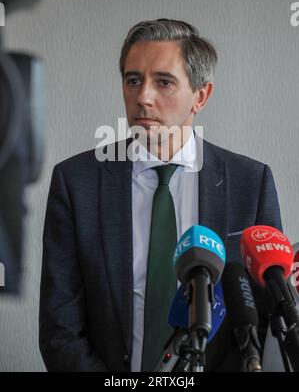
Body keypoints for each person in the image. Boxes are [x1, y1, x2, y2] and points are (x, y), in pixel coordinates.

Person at [39, 19, 282, 372]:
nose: (143, 97)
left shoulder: (250, 181)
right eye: (133, 80)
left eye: (163, 82)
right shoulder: (76, 182)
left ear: (201, 95)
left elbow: (262, 321)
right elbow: (59, 326)